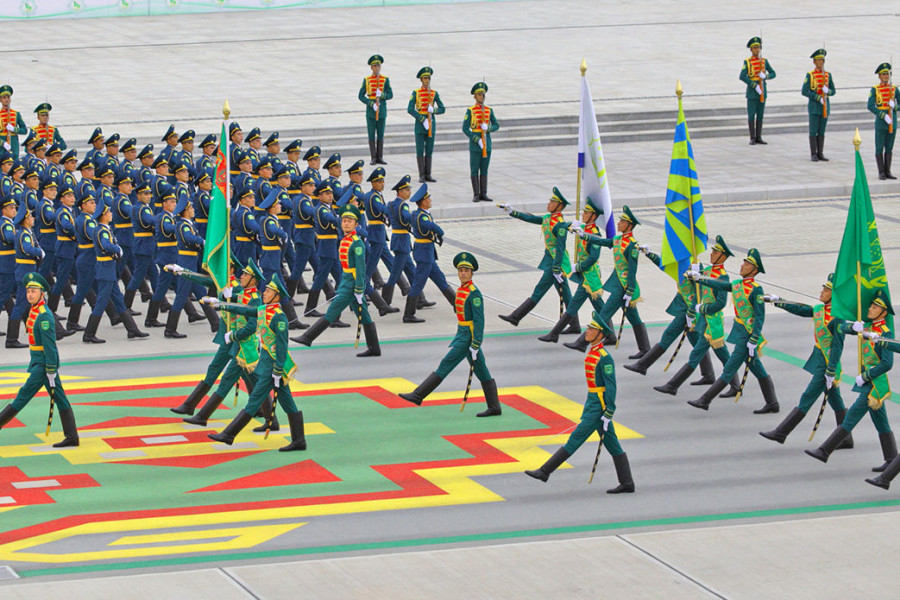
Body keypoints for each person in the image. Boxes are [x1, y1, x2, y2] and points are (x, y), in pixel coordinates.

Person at [524, 311, 635, 493]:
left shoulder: (604, 358)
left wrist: (609, 410)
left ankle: (545, 471)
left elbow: (611, 386)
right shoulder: (593, 352)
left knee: (575, 439)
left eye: (592, 329)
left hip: (599, 407)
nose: (587, 332)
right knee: (612, 443)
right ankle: (627, 482)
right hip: (593, 403)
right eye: (588, 328)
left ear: (600, 334)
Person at [205, 275, 306, 451]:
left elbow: (282, 347)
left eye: (269, 291)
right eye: (265, 290)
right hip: (268, 365)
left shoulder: (279, 318)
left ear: (277, 297)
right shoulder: (263, 310)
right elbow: (245, 310)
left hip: (273, 368)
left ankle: (229, 434)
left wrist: (277, 370)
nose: (264, 293)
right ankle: (299, 440)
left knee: (254, 401)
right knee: (288, 403)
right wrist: (220, 305)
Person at [399, 252, 501, 416]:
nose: (463, 273)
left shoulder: (474, 293)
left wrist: (476, 343)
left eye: (466, 271)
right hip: (462, 333)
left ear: (472, 273)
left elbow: (479, 321)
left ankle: (418, 395)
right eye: (460, 270)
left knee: (446, 364)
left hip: (467, 337)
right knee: (481, 370)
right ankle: (494, 406)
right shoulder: (462, 289)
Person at [759, 274, 852, 447]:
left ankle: (781, 432)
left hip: (827, 365)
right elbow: (801, 310)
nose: (822, 291)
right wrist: (779, 301)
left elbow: (837, 347)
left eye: (826, 290)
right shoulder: (820, 309)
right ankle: (846, 438)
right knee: (836, 401)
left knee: (807, 397)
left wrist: (831, 370)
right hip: (820, 360)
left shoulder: (838, 318)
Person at [806, 292, 896, 470]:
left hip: (874, 384)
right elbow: (843, 329)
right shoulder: (868, 326)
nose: (870, 309)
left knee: (851, 417)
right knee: (881, 423)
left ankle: (825, 450)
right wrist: (852, 327)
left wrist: (865, 377)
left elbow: (887, 363)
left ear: (884, 313)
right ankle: (892, 460)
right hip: (869, 383)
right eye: (871, 306)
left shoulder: (885, 333)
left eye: (875, 308)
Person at [686, 248, 779, 414]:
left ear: (754, 270)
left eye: (747, 264)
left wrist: (754, 339)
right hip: (740, 331)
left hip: (747, 335)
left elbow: (759, 317)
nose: (743, 266)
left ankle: (705, 400)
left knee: (729, 368)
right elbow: (721, 285)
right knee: (757, 368)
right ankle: (772, 403)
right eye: (744, 263)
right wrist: (700, 278)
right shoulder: (737, 285)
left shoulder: (756, 289)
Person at [170, 259, 261, 427]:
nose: (219, 269)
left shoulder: (238, 287)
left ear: (231, 269)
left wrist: (228, 298)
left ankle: (192, 406)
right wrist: (181, 270)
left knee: (221, 371)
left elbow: (244, 307)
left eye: (223, 266)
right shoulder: (223, 283)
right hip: (228, 335)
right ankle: (261, 408)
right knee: (246, 373)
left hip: (235, 336)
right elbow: (203, 279)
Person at [0, 273, 79, 448]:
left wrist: (50, 369)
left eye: (33, 291)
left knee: (22, 396)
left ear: (42, 294)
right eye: (28, 291)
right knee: (60, 398)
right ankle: (72, 436)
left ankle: (72, 436)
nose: (30, 294)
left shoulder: (44, 316)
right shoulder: (35, 310)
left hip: (43, 365)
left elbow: (50, 346)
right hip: (40, 362)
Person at [292, 204, 381, 357]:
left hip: (351, 285)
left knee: (332, 310)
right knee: (364, 315)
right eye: (344, 221)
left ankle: (308, 337)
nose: (346, 224)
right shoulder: (346, 239)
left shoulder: (357, 243)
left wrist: (359, 289)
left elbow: (360, 269)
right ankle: (374, 348)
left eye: (349, 221)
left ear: (356, 224)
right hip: (347, 281)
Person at [653, 236, 737, 397]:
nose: (711, 254)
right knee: (722, 356)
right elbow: (693, 282)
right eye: (712, 251)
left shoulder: (723, 276)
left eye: (715, 253)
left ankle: (673, 385)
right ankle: (735, 385)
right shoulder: (708, 271)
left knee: (697, 355)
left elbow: (721, 303)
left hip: (712, 323)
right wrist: (693, 273)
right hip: (704, 321)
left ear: (723, 257)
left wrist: (702, 307)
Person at [567, 207, 649, 358]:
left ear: (629, 225)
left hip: (623, 287)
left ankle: (582, 342)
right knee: (634, 318)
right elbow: (602, 241)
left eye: (622, 222)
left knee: (603, 314)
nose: (618, 223)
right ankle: (645, 349)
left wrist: (630, 291)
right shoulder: (617, 240)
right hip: (618, 283)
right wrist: (583, 235)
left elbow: (632, 270)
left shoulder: (633, 245)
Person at [497, 187, 576, 336]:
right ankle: (575, 324)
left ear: (559, 206)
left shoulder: (560, 225)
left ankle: (516, 316)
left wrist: (557, 268)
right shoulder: (548, 218)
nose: (549, 204)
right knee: (566, 293)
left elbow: (560, 248)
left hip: (555, 263)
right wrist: (512, 211)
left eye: (552, 202)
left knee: (538, 291)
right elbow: (531, 219)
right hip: (550, 260)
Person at [83, 197, 148, 343]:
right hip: (105, 270)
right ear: (103, 216)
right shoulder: (102, 231)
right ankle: (89, 333)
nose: (111, 214)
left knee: (119, 301)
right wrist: (117, 249)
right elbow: (106, 245)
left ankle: (132, 330)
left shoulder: (105, 229)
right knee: (101, 302)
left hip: (109, 270)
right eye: (109, 212)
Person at [405, 183, 455, 323]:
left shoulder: (419, 214)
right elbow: (430, 225)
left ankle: (458, 305)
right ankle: (408, 314)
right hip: (424, 254)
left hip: (427, 254)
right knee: (418, 284)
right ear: (423, 202)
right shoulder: (422, 216)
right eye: (428, 199)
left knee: (440, 279)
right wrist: (440, 232)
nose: (430, 200)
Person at [7, 200, 44, 348]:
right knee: (21, 304)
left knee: (33, 303)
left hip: (27, 270)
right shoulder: (24, 234)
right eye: (30, 217)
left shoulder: (27, 232)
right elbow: (28, 249)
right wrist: (39, 252)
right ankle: (11, 339)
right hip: (25, 272)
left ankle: (40, 331)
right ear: (25, 220)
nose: (33, 219)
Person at [382, 174, 417, 313]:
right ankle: (384, 304)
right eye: (407, 190)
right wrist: (417, 217)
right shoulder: (402, 205)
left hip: (399, 240)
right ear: (400, 192)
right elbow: (407, 219)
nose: (409, 192)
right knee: (394, 274)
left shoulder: (391, 204)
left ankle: (419, 299)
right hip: (402, 241)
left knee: (412, 271)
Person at [462, 82, 499, 202]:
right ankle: (476, 194)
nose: (481, 96)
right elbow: (465, 128)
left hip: (486, 144)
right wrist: (476, 139)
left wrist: (488, 128)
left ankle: (484, 193)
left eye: (483, 94)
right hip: (475, 145)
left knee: (484, 169)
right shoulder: (470, 111)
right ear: (475, 96)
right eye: (479, 94)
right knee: (474, 170)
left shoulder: (489, 110)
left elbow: (496, 125)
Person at [408, 66, 445, 182]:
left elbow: (442, 109)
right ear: (421, 80)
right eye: (425, 78)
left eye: (428, 78)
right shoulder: (416, 93)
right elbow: (410, 109)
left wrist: (434, 110)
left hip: (431, 124)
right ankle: (421, 175)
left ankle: (428, 174)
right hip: (420, 125)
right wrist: (421, 118)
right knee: (420, 150)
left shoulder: (434, 93)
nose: (427, 80)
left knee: (429, 150)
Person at [740, 37, 775, 145]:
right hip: (752, 91)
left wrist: (766, 76)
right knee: (751, 115)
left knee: (760, 115)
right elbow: (742, 76)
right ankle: (752, 137)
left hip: (762, 91)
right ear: (751, 49)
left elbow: (773, 73)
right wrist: (753, 85)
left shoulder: (764, 61)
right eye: (754, 48)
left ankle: (759, 136)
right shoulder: (747, 62)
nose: (757, 49)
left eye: (758, 47)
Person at [802, 49, 835, 162]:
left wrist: (828, 92)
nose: (821, 62)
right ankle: (813, 153)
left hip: (824, 107)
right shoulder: (810, 75)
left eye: (822, 60)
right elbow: (804, 91)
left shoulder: (828, 75)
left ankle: (820, 153)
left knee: (821, 131)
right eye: (818, 60)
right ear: (814, 62)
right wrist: (817, 97)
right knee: (813, 130)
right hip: (815, 107)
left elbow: (833, 91)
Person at [359, 55, 392, 165]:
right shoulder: (367, 80)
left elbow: (390, 95)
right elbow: (360, 96)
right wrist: (370, 103)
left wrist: (382, 95)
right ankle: (373, 157)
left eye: (378, 65)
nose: (377, 68)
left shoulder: (385, 80)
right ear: (371, 67)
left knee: (381, 134)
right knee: (371, 134)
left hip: (381, 110)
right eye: (374, 66)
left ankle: (380, 156)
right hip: (371, 111)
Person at [869, 62, 899, 180]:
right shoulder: (875, 89)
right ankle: (881, 171)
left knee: (889, 147)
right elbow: (870, 106)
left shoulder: (894, 89)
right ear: (879, 76)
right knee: (879, 147)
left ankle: (888, 171)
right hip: (881, 122)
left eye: (887, 74)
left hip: (892, 122)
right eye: (883, 74)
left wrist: (895, 107)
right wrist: (882, 115)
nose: (886, 76)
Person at [0, 85, 28, 157]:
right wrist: (3, 143)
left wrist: (14, 129)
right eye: (4, 97)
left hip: (14, 145)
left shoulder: (16, 114)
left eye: (8, 97)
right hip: (2, 147)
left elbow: (24, 130)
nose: (7, 100)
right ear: (0, 99)